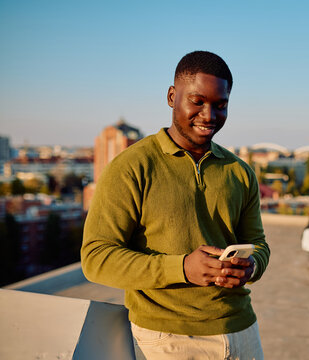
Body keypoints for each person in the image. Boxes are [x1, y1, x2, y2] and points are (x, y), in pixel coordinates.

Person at [81, 51, 270, 359]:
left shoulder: (240, 171)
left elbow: (259, 244)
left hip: (242, 330)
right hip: (167, 339)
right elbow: (96, 258)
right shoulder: (132, 166)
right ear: (172, 96)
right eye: (197, 101)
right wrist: (182, 268)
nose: (209, 115)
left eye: (220, 105)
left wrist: (251, 267)